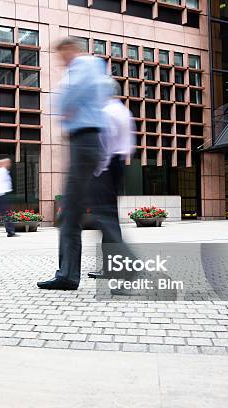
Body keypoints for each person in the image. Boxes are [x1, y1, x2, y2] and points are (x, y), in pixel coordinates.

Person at [37, 37, 111, 290]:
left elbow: (67, 95)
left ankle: (68, 276)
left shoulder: (83, 65)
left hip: (84, 141)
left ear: (70, 50)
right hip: (88, 141)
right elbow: (106, 88)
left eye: (61, 55)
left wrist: (65, 106)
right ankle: (68, 274)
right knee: (80, 210)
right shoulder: (95, 67)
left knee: (71, 211)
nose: (61, 61)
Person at [88, 79, 136, 279]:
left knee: (104, 219)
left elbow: (105, 145)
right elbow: (130, 143)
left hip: (106, 168)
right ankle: (112, 267)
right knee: (109, 218)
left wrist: (97, 171)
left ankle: (129, 263)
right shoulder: (124, 111)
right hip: (118, 165)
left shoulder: (107, 112)